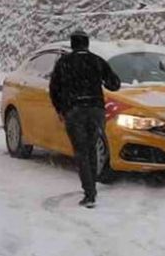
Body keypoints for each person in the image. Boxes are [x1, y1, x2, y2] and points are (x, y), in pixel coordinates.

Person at [48, 31, 121, 208]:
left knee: (81, 151)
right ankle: (92, 187)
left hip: (74, 111)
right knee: (92, 147)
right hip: (96, 110)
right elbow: (114, 84)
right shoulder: (97, 61)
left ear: (72, 44)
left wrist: (60, 109)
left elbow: (54, 89)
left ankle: (89, 192)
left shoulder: (64, 63)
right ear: (87, 44)